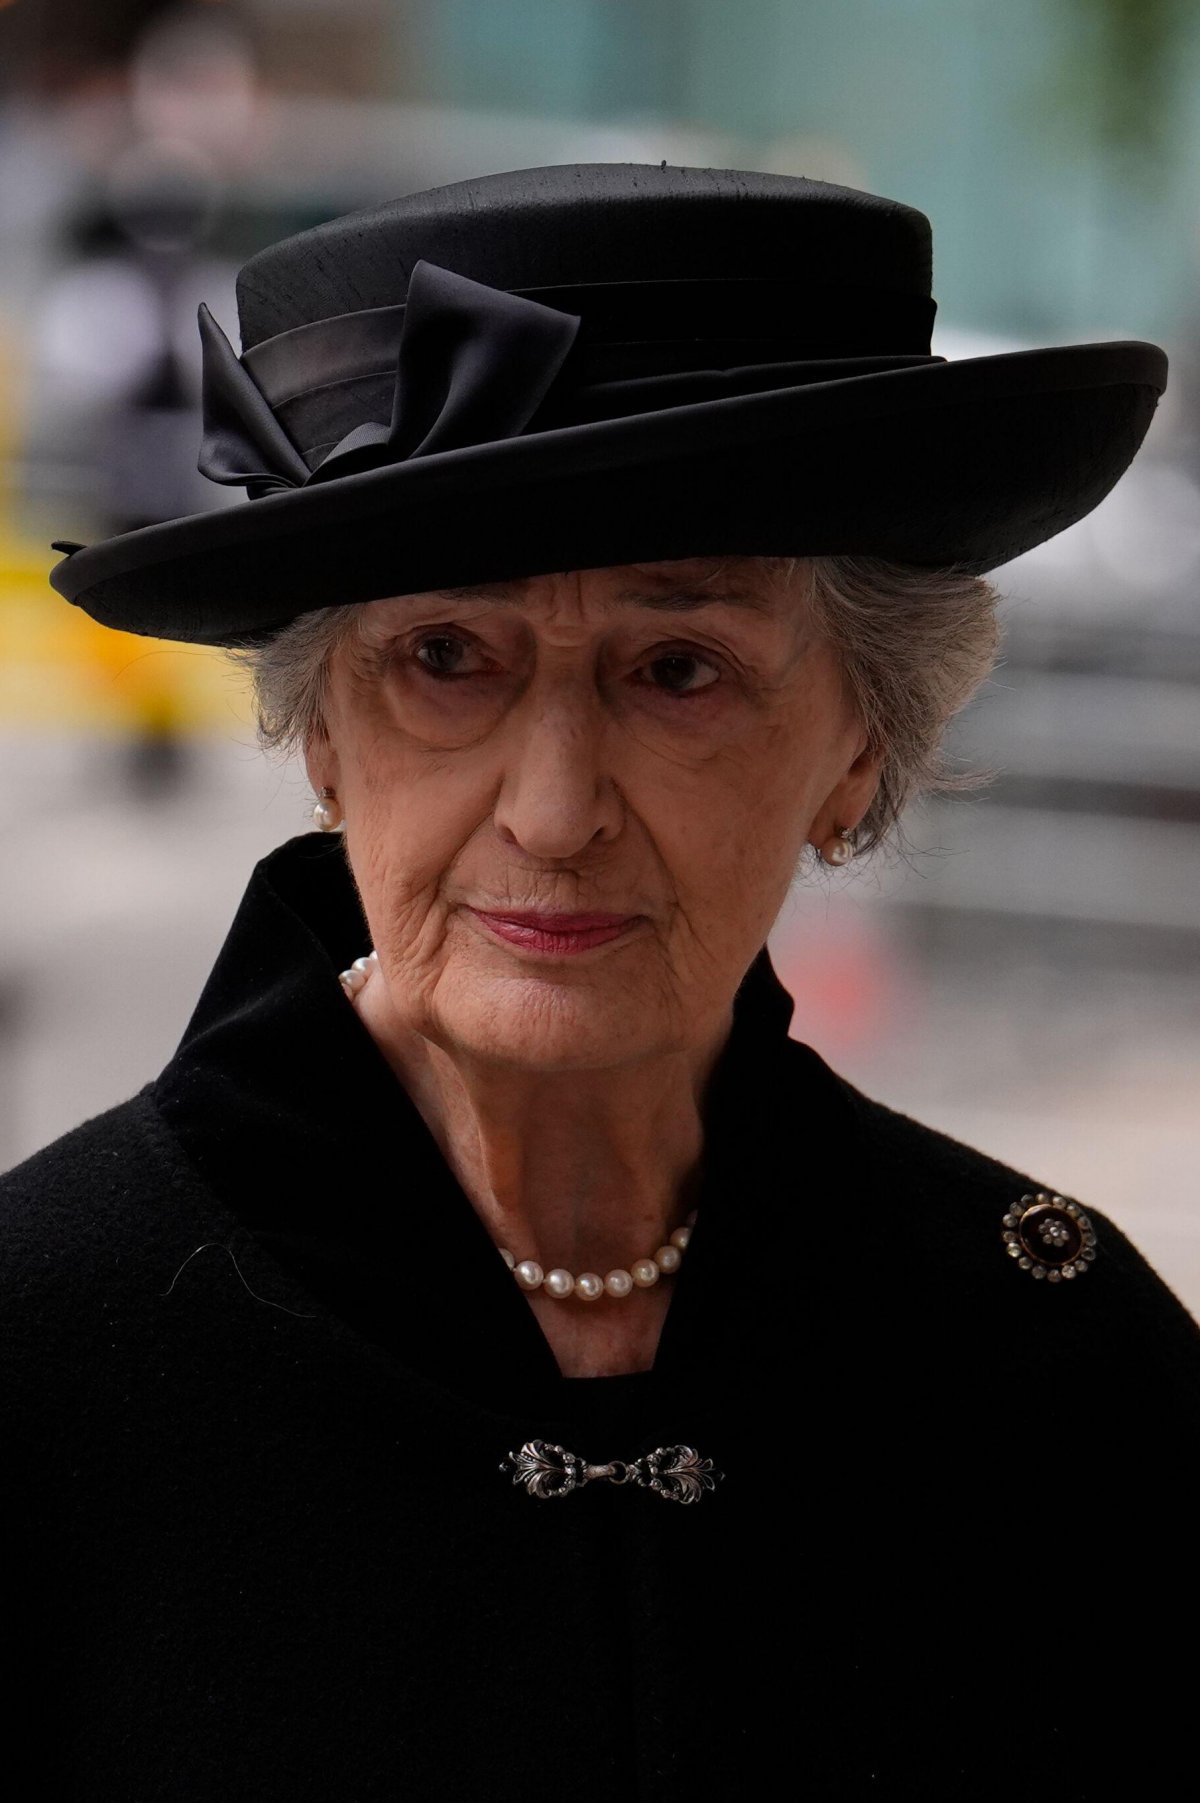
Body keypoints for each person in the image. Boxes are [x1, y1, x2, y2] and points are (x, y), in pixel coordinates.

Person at [7, 164, 1199, 1799]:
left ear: (858, 750)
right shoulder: (38, 1351)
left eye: (677, 671)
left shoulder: (1055, 1363)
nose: (555, 811)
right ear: (326, 740)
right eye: (446, 660)